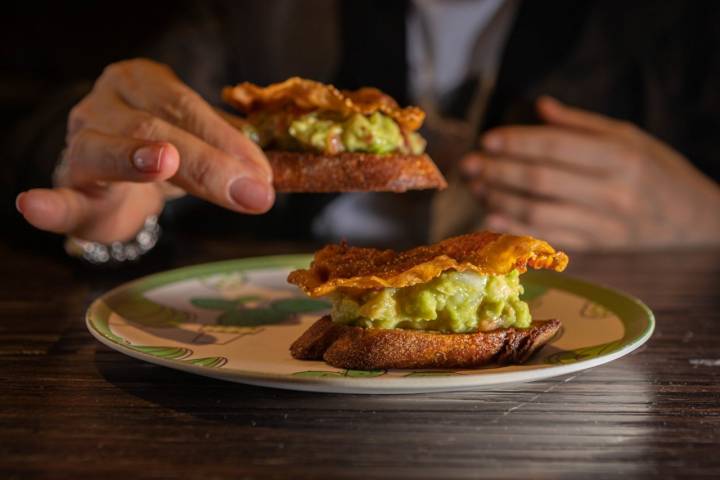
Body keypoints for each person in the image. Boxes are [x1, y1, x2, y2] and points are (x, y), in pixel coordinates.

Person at [8, 0, 720, 258]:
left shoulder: (676, 24)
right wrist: (104, 179)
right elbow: (77, 114)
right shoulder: (267, 15)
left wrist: (707, 214)